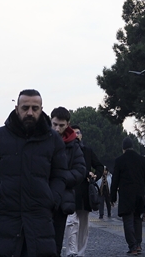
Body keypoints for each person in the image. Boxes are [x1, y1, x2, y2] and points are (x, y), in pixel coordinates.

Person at [0, 89, 69, 257]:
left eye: (35, 108)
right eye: (25, 107)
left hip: (39, 217)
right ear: (16, 108)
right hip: (5, 217)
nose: (30, 112)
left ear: (41, 109)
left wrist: (52, 198)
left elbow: (60, 175)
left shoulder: (53, 140)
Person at [50, 107, 87, 256]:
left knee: (56, 242)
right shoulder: (41, 139)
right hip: (40, 197)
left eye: (61, 125)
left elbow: (80, 170)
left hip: (61, 200)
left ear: (68, 124)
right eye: (54, 124)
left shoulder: (73, 146)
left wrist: (62, 178)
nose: (57, 129)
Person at [66, 125, 103, 257]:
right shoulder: (66, 150)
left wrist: (95, 175)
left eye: (78, 133)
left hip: (85, 193)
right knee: (71, 222)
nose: (76, 135)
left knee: (83, 226)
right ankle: (72, 251)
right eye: (74, 133)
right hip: (71, 191)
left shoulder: (87, 151)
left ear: (81, 135)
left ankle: (80, 253)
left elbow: (99, 166)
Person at [111, 138, 145, 255]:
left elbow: (115, 180)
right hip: (139, 195)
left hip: (126, 196)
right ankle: (138, 244)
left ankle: (132, 246)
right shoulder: (141, 160)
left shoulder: (119, 160)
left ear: (123, 148)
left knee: (128, 221)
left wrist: (112, 197)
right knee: (137, 219)